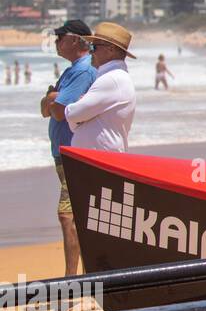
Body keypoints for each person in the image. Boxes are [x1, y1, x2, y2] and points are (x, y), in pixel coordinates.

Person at [40, 20, 96, 277]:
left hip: (72, 153)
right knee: (76, 217)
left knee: (69, 218)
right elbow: (45, 109)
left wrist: (53, 98)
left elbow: (59, 112)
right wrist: (51, 100)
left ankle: (73, 281)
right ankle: (80, 279)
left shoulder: (82, 71)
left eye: (60, 37)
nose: (55, 42)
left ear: (75, 40)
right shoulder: (71, 70)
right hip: (63, 153)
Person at [53, 22, 138, 157]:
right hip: (99, 159)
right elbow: (75, 123)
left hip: (102, 160)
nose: (90, 51)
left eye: (94, 47)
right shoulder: (114, 77)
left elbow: (72, 115)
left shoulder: (112, 79)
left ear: (110, 50)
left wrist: (75, 107)